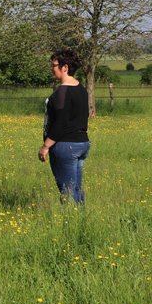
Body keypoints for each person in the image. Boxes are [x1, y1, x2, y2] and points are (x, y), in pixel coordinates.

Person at [38, 48, 90, 205]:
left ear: (65, 67)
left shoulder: (62, 92)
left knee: (67, 192)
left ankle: (69, 217)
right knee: (76, 189)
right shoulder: (81, 89)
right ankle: (80, 216)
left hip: (65, 146)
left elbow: (60, 123)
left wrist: (46, 146)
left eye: (54, 65)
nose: (52, 69)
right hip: (82, 143)